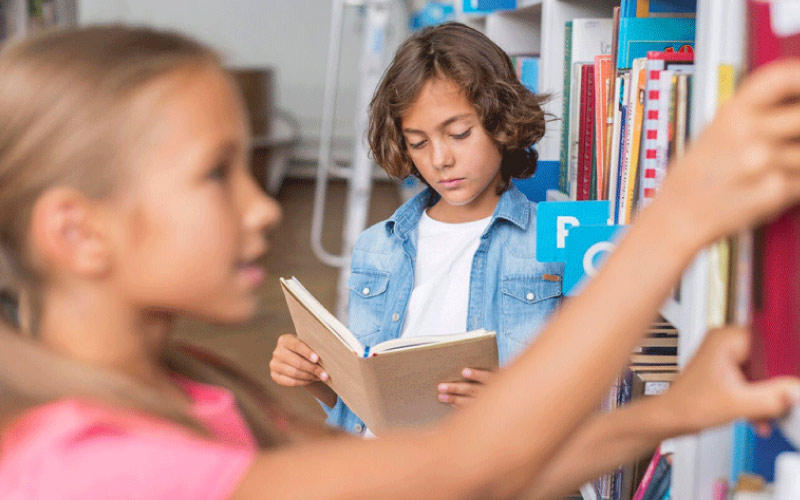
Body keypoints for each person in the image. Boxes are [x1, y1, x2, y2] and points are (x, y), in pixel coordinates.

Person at [1, 25, 800, 500]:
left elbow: (454, 479)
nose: (265, 208)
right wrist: (679, 215)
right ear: (77, 233)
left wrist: (671, 411)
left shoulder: (200, 388)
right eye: (217, 174)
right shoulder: (91, 468)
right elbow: (466, 467)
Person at [270, 23, 564, 435]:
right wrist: (316, 378)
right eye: (418, 142)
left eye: (459, 133)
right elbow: (361, 409)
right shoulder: (378, 246)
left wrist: (514, 402)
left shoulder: (547, 242)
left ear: (501, 121)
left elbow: (582, 391)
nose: (440, 159)